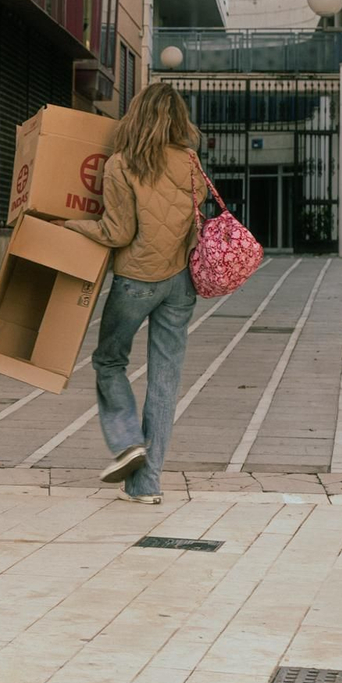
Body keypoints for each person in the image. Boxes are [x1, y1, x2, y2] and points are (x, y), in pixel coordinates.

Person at [65, 83, 207, 504]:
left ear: (136, 114)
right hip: (180, 283)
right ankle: (147, 486)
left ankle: (128, 441)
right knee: (165, 380)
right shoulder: (191, 164)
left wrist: (69, 225)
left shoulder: (121, 164)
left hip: (135, 281)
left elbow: (118, 232)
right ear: (179, 120)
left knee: (109, 360)